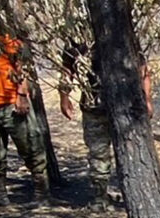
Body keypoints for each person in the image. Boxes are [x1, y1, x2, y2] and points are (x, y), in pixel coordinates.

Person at [57, 36, 153, 206]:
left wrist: (147, 100)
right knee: (98, 155)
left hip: (126, 106)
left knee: (132, 152)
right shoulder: (77, 36)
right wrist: (64, 97)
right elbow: (67, 68)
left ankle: (137, 198)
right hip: (94, 107)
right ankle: (99, 198)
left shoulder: (119, 26)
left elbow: (142, 68)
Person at [0, 15, 49, 207]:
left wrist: (21, 94)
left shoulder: (4, 33)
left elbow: (23, 65)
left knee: (31, 149)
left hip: (11, 104)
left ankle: (41, 196)